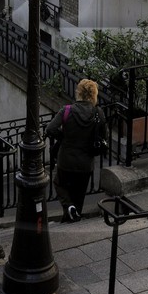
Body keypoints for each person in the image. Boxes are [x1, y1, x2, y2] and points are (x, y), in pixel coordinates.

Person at [45, 78, 107, 222]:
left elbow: (50, 129)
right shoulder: (98, 113)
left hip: (66, 159)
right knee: (79, 195)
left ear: (78, 92)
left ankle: (68, 207)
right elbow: (104, 136)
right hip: (86, 162)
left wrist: (63, 137)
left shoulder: (67, 110)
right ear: (94, 95)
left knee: (59, 183)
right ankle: (74, 214)